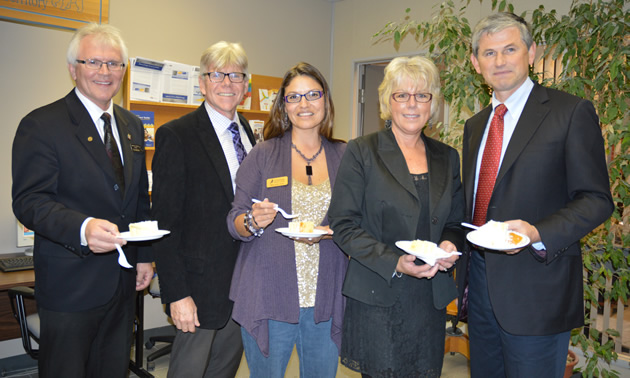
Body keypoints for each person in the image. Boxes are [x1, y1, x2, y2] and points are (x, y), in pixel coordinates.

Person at [458, 12, 614, 377]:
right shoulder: (474, 125)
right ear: (475, 62)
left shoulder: (569, 112)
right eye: (489, 53)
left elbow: (596, 199)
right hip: (478, 286)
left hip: (537, 290)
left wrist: (535, 232)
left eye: (510, 49)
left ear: (531, 53)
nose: (500, 61)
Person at [11, 23, 153, 377]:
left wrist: (146, 257)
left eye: (114, 64)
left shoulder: (132, 125)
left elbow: (137, 200)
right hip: (70, 286)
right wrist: (83, 227)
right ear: (73, 69)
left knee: (112, 370)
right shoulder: (43, 124)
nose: (105, 72)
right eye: (94, 62)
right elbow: (29, 200)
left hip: (122, 285)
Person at [328, 56, 465, 377]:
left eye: (422, 95)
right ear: (387, 102)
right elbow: (343, 224)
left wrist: (448, 244)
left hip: (428, 298)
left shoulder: (447, 156)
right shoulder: (362, 151)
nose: (412, 104)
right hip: (379, 292)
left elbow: (455, 223)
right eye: (401, 95)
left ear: (432, 103)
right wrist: (394, 261)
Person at [227, 62, 348, 377]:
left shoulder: (345, 156)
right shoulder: (263, 155)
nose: (304, 104)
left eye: (312, 94)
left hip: (326, 296)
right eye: (294, 97)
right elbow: (235, 219)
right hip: (270, 294)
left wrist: (337, 230)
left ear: (325, 100)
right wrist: (253, 221)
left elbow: (359, 220)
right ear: (283, 105)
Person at [150, 41, 253, 377]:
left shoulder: (248, 132)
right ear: (203, 82)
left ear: (246, 86)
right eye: (217, 74)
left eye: (236, 75)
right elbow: (165, 224)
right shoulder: (177, 135)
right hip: (199, 288)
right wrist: (177, 294)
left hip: (243, 285)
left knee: (224, 371)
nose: (227, 83)